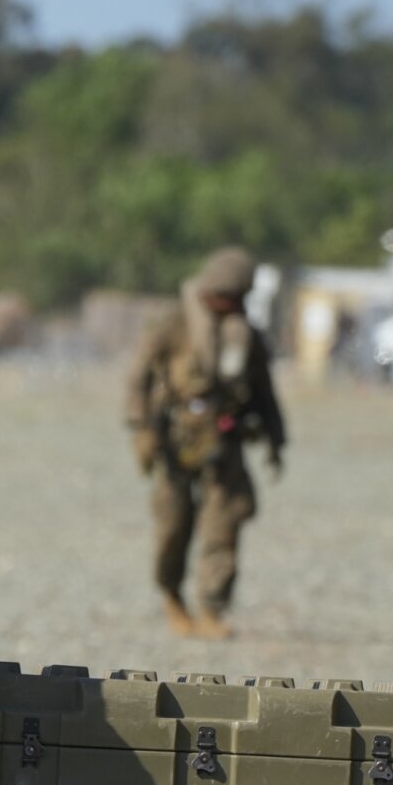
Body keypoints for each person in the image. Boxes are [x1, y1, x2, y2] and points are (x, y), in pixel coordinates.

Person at [125, 246, 285, 639]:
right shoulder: (173, 324)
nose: (228, 305)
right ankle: (172, 599)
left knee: (224, 525)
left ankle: (212, 608)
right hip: (175, 443)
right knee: (172, 525)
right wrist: (142, 427)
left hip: (224, 443)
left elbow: (265, 393)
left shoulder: (246, 336)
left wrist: (275, 440)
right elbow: (138, 377)